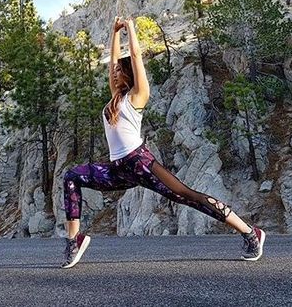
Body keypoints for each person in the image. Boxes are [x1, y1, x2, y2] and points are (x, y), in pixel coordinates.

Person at [61, 15, 266, 268]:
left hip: (140, 163)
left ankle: (249, 232)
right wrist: (114, 33)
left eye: (118, 72)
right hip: (118, 170)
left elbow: (135, 58)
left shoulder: (137, 96)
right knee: (71, 177)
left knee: (187, 196)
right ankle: (74, 240)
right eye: (113, 72)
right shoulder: (115, 99)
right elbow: (113, 61)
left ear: (128, 75)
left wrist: (130, 29)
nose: (113, 75)